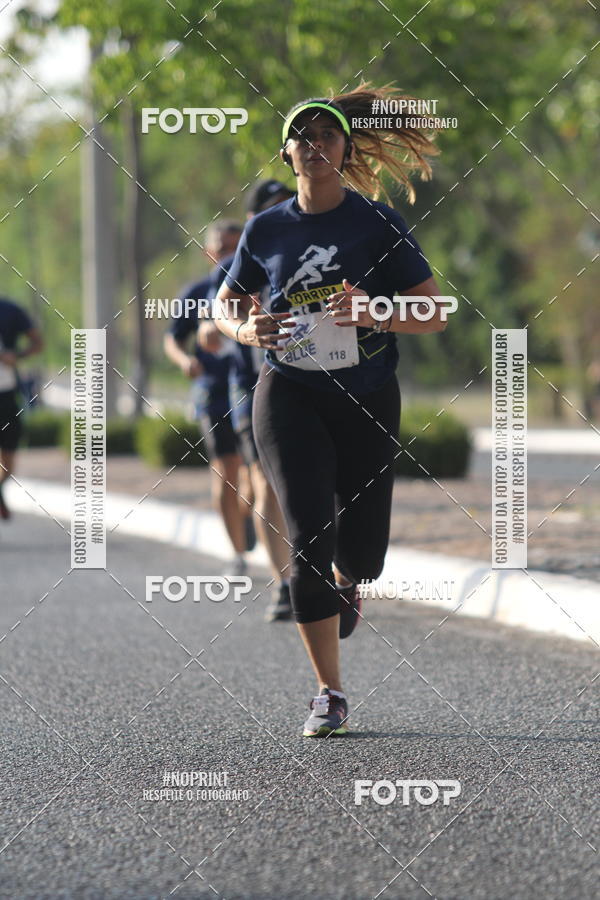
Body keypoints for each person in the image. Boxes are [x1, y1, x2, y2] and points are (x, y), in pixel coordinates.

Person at [213, 82, 447, 737]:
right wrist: (244, 331)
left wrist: (378, 311)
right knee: (307, 538)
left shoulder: (375, 223)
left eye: (327, 136)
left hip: (367, 395)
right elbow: (226, 305)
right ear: (286, 154)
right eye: (302, 137)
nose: (314, 146)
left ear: (344, 150)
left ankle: (351, 580)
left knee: (364, 553)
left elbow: (435, 312)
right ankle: (329, 692)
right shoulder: (266, 228)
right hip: (288, 395)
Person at [217, 179, 296, 622]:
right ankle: (284, 584)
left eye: (289, 203)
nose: (285, 212)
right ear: (254, 217)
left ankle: (326, 568)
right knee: (265, 482)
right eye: (273, 207)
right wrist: (223, 328)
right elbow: (215, 314)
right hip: (253, 388)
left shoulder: (314, 247)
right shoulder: (236, 262)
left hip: (317, 381)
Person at [163, 221, 253, 576]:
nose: (228, 254)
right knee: (226, 472)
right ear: (209, 253)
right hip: (213, 393)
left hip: (250, 387)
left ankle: (248, 514)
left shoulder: (256, 285)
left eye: (236, 246)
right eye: (222, 248)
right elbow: (173, 338)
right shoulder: (197, 292)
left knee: (255, 476)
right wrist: (185, 359)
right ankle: (237, 554)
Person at [0, 296, 43, 519]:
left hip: (7, 395)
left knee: (9, 464)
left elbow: (38, 343)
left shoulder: (10, 310)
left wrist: (16, 356)